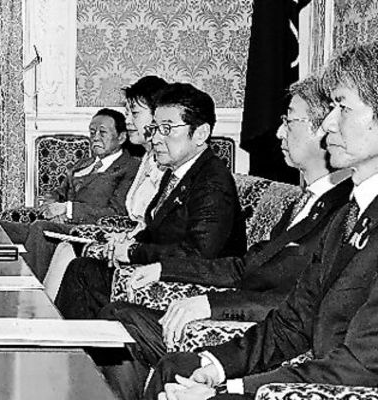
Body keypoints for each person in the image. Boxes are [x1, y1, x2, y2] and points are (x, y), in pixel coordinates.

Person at [146, 42, 378, 400]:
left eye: (343, 107)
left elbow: (359, 368)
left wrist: (230, 391)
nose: (329, 124)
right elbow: (293, 322)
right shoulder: (348, 214)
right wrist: (215, 367)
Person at [98, 75, 353, 400]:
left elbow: (299, 305)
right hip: (247, 322)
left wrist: (212, 305)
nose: (278, 132)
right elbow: (246, 266)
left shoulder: (342, 211)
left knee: (147, 345)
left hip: (262, 337)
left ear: (323, 130)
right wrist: (166, 271)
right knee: (118, 318)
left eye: (289, 121)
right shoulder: (306, 202)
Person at [55, 83, 246, 320]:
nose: (155, 138)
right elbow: (157, 231)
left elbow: (199, 254)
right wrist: (129, 241)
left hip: (194, 286)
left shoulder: (212, 182)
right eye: (155, 128)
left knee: (83, 275)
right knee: (82, 269)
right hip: (162, 270)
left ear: (200, 133)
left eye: (167, 129)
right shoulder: (176, 172)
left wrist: (134, 252)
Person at [43, 75, 168, 298]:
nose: (127, 121)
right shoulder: (148, 160)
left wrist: (129, 242)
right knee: (65, 251)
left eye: (134, 113)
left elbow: (146, 221)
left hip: (139, 251)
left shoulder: (154, 165)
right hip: (124, 239)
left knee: (73, 260)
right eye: (127, 113)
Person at [0, 108, 141, 281]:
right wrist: (51, 207)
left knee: (41, 228)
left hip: (90, 231)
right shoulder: (83, 164)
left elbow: (117, 213)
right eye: (92, 132)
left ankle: (30, 288)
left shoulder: (131, 168)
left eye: (102, 132)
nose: (95, 137)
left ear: (121, 137)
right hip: (57, 226)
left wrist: (68, 210)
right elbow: (56, 194)